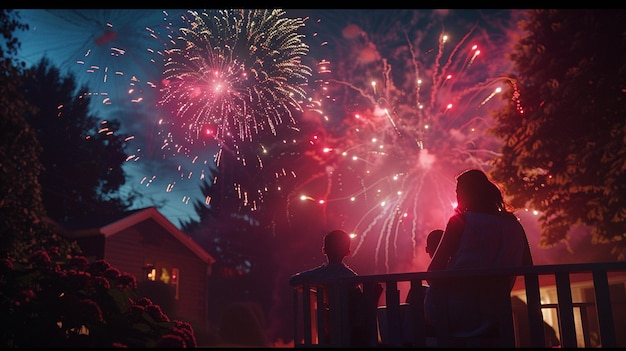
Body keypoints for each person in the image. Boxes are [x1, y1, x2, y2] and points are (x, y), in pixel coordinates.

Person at [424, 169, 533, 344]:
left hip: (454, 311)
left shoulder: (461, 221)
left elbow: (433, 273)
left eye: (458, 192)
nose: (457, 196)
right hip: (497, 309)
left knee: (409, 312)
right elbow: (529, 268)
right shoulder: (514, 226)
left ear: (465, 194)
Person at [289, 229, 380, 346]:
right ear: (348, 252)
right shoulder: (350, 276)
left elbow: (293, 281)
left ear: (324, 250)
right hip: (355, 333)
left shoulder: (320, 274)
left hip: (331, 332)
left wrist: (314, 292)